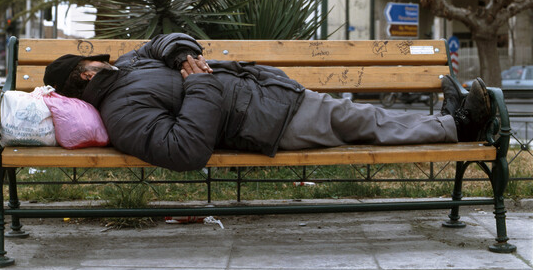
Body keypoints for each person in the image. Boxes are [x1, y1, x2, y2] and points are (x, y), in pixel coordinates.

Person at [43, 33, 492, 172]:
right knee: (365, 120)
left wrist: (182, 54)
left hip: (269, 96)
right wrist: (200, 84)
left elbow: (159, 43)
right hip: (268, 120)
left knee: (362, 117)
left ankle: (449, 120)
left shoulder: (127, 67)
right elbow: (183, 150)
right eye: (92, 63)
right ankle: (459, 127)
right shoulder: (122, 113)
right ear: (86, 74)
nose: (102, 62)